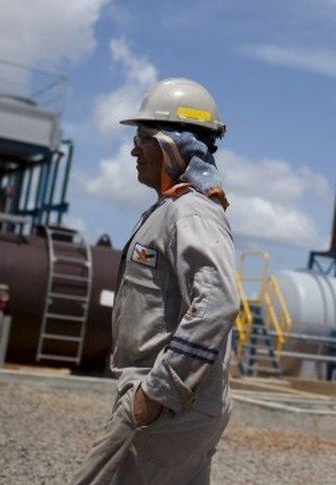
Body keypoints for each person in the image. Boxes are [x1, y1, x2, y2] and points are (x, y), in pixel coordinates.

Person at [73, 78, 239, 485]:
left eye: (142, 137)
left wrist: (157, 392)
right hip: (178, 402)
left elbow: (218, 302)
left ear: (170, 144)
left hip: (169, 404)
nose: (133, 149)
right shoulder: (169, 211)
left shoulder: (191, 213)